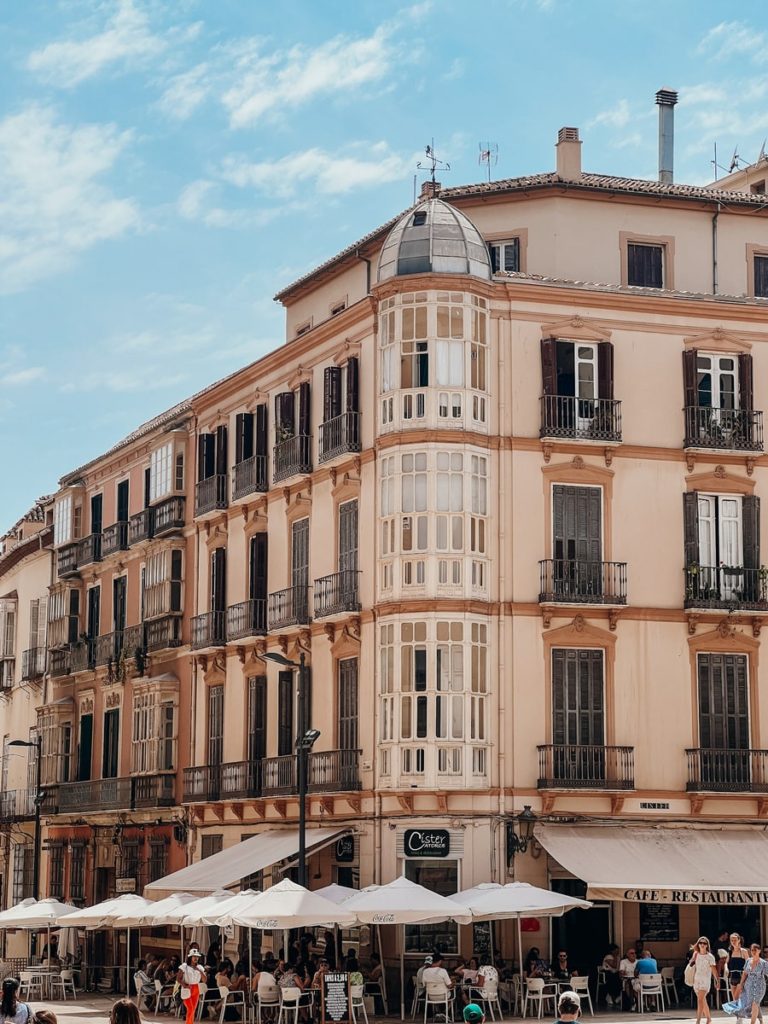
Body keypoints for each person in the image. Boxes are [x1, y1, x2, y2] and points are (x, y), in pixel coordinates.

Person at [724, 943, 768, 1024]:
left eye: (755, 950)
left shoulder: (764, 963)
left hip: (760, 986)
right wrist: (741, 984)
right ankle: (760, 1019)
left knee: (755, 1003)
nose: (753, 952)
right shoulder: (748, 960)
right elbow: (744, 973)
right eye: (752, 950)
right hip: (748, 986)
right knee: (751, 1004)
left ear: (759, 951)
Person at [687, 937, 717, 1024]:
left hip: (705, 980)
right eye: (700, 943)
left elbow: (714, 970)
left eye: (704, 943)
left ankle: (698, 1021)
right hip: (697, 980)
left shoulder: (710, 956)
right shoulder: (695, 954)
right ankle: (708, 1018)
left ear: (707, 945)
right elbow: (692, 965)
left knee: (700, 1000)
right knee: (702, 1000)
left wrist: (717, 981)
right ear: (698, 944)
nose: (702, 945)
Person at [177, 948, 207, 1024]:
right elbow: (178, 978)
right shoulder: (185, 966)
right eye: (194, 956)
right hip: (187, 988)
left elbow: (204, 980)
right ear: (190, 957)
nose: (196, 958)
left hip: (196, 988)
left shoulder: (200, 967)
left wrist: (200, 971)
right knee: (190, 1008)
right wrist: (185, 985)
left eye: (197, 956)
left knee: (193, 1009)